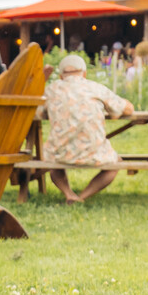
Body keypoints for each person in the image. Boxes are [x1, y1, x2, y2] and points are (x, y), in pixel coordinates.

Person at [41, 53, 131, 202]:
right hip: (93, 151)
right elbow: (127, 109)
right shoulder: (95, 88)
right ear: (84, 73)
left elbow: (36, 110)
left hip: (59, 152)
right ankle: (83, 196)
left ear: (61, 76)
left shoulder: (51, 90)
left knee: (53, 163)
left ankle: (69, 194)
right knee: (116, 164)